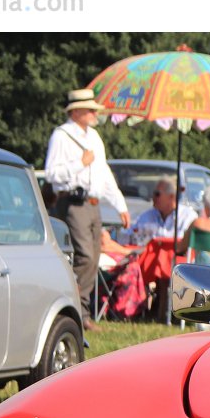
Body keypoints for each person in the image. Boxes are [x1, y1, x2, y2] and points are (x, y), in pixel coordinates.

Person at [44, 88, 130, 318]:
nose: (94, 113)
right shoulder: (61, 136)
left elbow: (103, 173)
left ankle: (81, 309)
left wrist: (119, 204)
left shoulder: (94, 137)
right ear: (77, 111)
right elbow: (52, 174)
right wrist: (80, 163)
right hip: (73, 203)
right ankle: (77, 309)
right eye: (90, 109)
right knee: (85, 257)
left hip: (93, 204)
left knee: (93, 257)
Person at [126, 178, 197, 246]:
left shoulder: (188, 217)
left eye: (157, 194)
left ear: (171, 197)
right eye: (153, 193)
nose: (153, 197)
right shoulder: (147, 216)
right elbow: (129, 235)